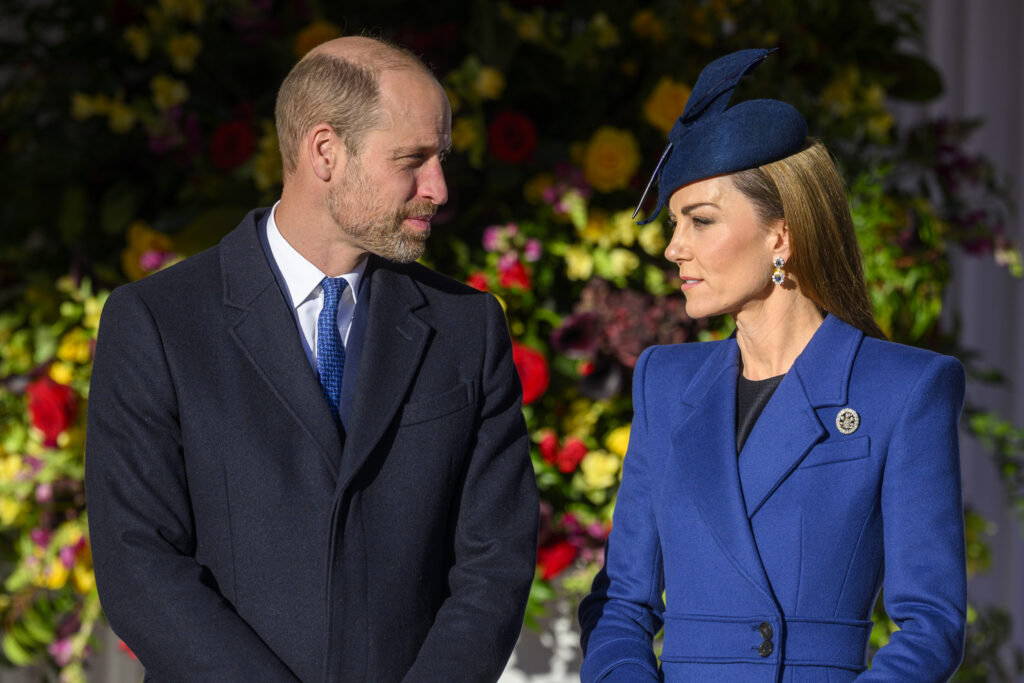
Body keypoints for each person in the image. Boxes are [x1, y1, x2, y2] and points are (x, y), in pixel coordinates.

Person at [85, 36, 538, 682]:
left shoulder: (467, 327)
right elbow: (140, 565)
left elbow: (495, 559)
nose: (437, 187)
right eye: (412, 159)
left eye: (440, 159)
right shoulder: (158, 322)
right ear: (325, 152)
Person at [578, 48, 966, 682]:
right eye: (675, 224)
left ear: (780, 235)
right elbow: (621, 601)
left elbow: (931, 624)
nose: (675, 248)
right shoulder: (664, 381)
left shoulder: (905, 387)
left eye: (700, 221)